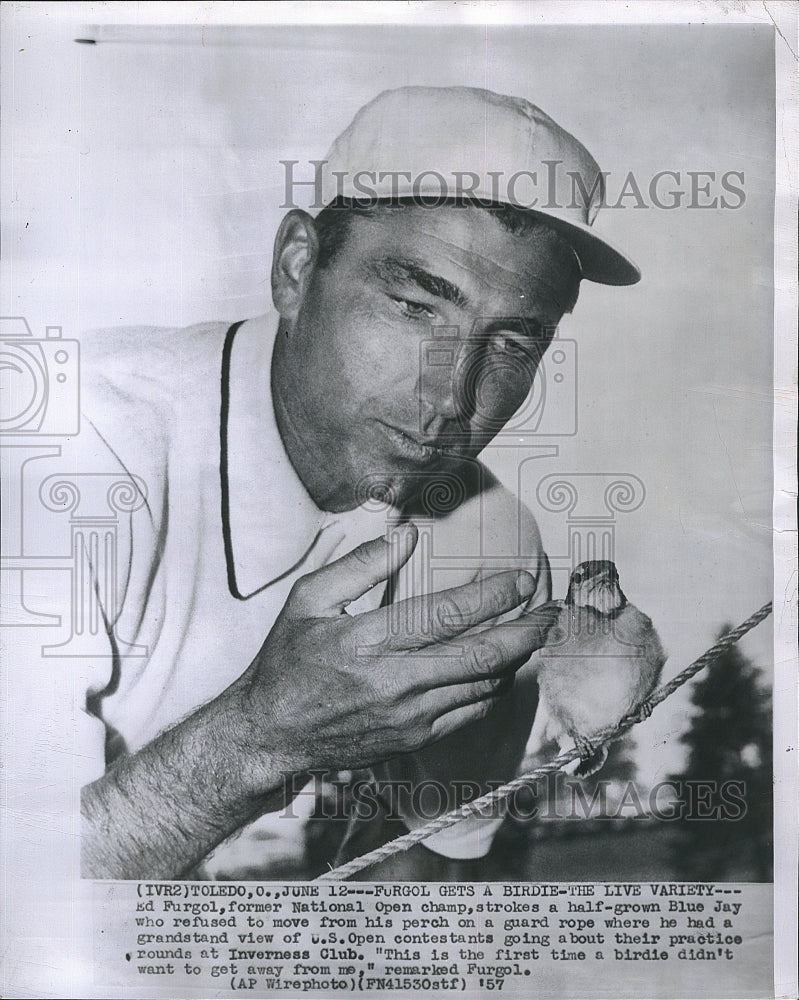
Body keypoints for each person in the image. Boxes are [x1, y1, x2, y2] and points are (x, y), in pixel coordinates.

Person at [76, 86, 640, 880]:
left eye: (512, 346)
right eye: (414, 306)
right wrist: (262, 734)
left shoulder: (485, 546)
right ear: (296, 267)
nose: (450, 399)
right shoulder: (76, 449)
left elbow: (432, 873)